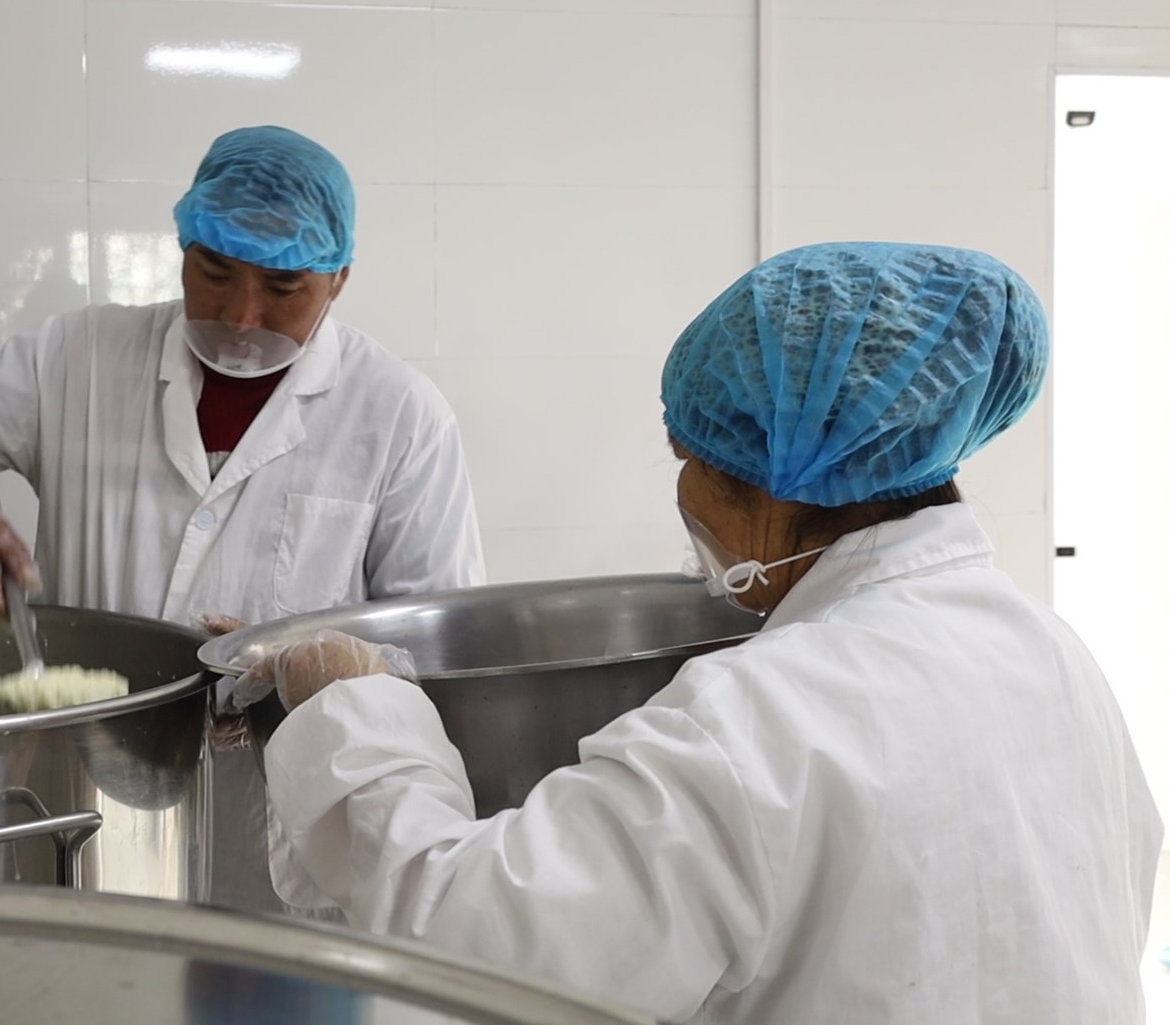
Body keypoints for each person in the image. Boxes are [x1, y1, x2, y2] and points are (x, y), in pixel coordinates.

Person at [235, 242, 1162, 1022]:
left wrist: (356, 711)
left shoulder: (757, 721)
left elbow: (472, 947)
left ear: (777, 481)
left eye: (690, 457)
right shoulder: (1051, 652)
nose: (682, 496)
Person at [0, 124, 484, 627]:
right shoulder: (80, 355)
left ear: (338, 279)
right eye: (214, 273)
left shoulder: (400, 415)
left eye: (282, 287)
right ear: (183, 250)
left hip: (295, 747)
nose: (240, 316)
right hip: (94, 736)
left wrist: (330, 669)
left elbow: (438, 629)